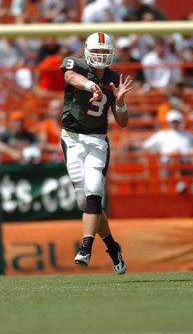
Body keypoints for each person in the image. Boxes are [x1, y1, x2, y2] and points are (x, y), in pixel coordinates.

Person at [60, 32, 133, 274]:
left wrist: (120, 103)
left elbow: (122, 122)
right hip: (72, 138)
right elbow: (70, 77)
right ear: (87, 50)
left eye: (105, 52)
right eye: (97, 51)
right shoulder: (77, 64)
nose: (101, 56)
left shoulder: (114, 78)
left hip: (98, 141)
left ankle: (85, 248)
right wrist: (92, 85)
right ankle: (113, 248)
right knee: (84, 200)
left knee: (94, 195)